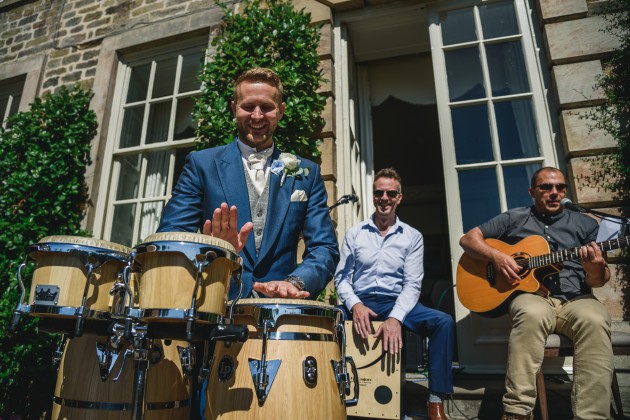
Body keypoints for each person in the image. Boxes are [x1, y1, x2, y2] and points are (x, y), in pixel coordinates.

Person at [157, 67, 339, 300]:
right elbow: (171, 236)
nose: (256, 116)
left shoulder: (307, 173)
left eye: (266, 107)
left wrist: (293, 282)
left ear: (280, 111)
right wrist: (214, 251)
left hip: (278, 314)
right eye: (247, 107)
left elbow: (325, 248)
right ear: (234, 108)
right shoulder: (202, 165)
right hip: (215, 304)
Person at [459, 167, 612, 420]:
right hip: (534, 296)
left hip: (577, 298)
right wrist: (497, 257)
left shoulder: (585, 224)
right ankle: (517, 412)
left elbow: (599, 280)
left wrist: (595, 269)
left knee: (596, 320)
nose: (554, 193)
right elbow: (469, 240)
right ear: (532, 191)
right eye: (546, 187)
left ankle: (592, 416)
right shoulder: (515, 218)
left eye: (560, 188)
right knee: (530, 313)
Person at [334, 168, 454, 420]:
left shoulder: (412, 236)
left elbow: (412, 284)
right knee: (329, 320)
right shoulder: (355, 234)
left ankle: (435, 401)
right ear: (374, 195)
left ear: (400, 197)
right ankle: (335, 393)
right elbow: (342, 278)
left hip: (396, 302)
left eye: (391, 193)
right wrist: (355, 305)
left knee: (442, 322)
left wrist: (396, 318)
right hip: (362, 300)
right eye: (379, 192)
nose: (384, 198)